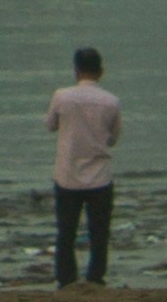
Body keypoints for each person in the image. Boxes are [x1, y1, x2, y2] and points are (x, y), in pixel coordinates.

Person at [47, 47, 123, 286]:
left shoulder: (62, 96)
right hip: (99, 175)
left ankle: (66, 278)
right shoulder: (111, 101)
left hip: (67, 174)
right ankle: (95, 277)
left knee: (66, 231)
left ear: (76, 70)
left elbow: (50, 125)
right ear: (100, 72)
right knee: (99, 233)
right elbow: (113, 138)